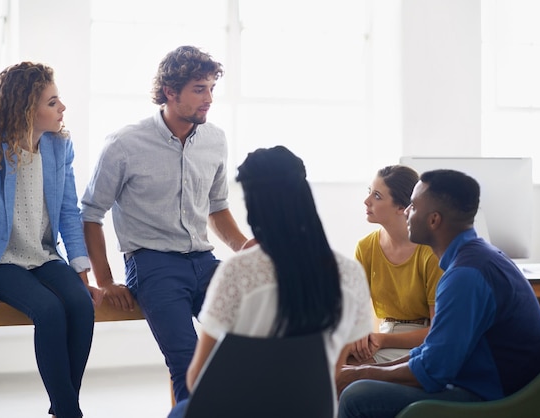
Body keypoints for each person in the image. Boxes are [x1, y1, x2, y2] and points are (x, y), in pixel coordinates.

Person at [80, 45, 252, 402]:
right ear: (170, 92)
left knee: (250, 343)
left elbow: (217, 207)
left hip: (205, 262)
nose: (209, 99)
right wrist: (106, 279)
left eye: (211, 89)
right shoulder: (125, 143)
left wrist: (247, 248)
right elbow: (92, 214)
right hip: (153, 265)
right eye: (199, 89)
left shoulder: (215, 139)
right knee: (186, 362)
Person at [167, 145, 375, 418]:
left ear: (254, 208)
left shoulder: (238, 271)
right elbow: (332, 371)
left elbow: (196, 379)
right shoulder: (349, 274)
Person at [0, 61, 102, 418]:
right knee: (49, 311)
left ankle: (64, 407)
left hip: (43, 255)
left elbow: (68, 212)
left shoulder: (59, 147)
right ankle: (70, 412)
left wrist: (81, 271)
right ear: (27, 107)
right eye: (53, 102)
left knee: (81, 306)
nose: (62, 108)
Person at [337, 169, 540, 418]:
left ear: (433, 220)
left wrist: (360, 374)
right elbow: (432, 350)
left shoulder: (465, 276)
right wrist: (364, 370)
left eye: (413, 207)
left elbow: (433, 370)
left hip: (498, 396)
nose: (406, 211)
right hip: (488, 383)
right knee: (356, 380)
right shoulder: (476, 257)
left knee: (356, 396)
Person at [346, 165, 443, 365]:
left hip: (420, 343)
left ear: (402, 208)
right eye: (369, 192)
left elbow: (438, 330)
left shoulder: (429, 253)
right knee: (331, 356)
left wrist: (383, 340)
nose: (367, 201)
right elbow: (353, 313)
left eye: (377, 196)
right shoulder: (365, 248)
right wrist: (359, 335)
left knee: (345, 367)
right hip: (382, 337)